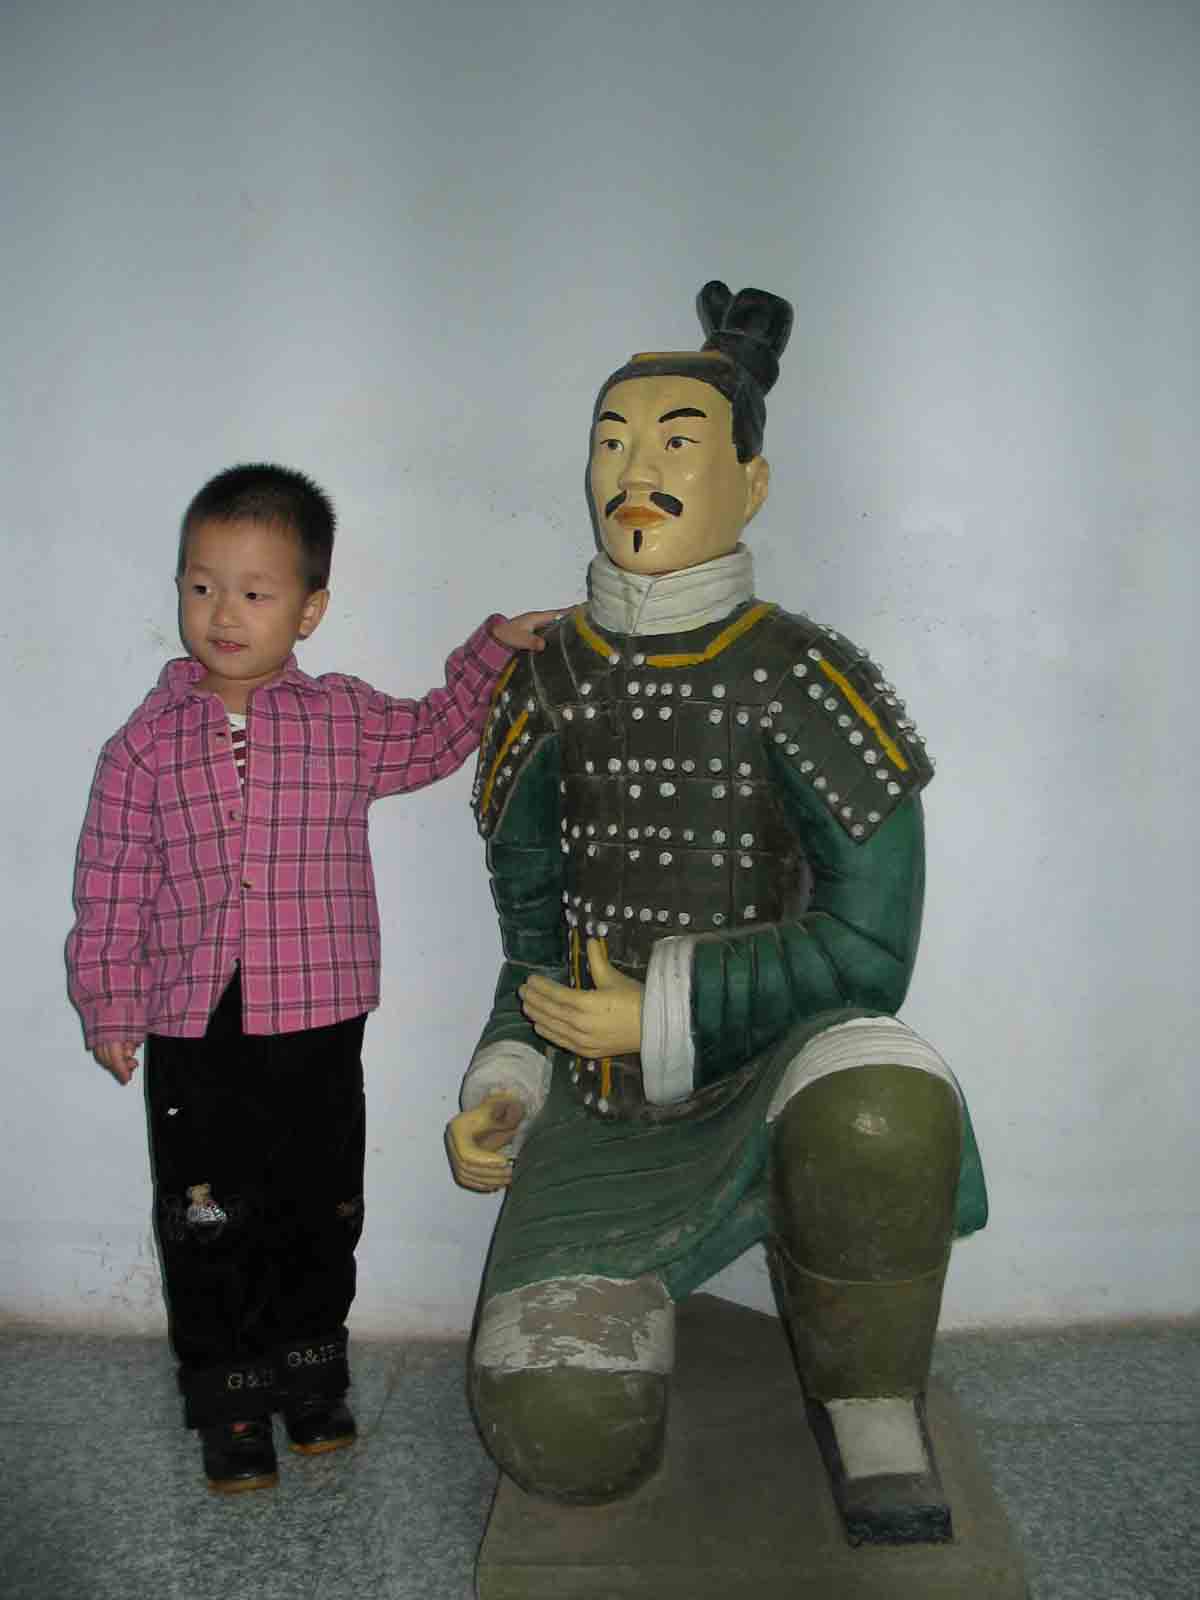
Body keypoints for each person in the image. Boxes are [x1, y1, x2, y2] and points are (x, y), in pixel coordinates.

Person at [445, 284, 987, 1547]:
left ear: (751, 483)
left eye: (677, 441)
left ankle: (870, 1399)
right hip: (599, 1116)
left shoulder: (807, 675)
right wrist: (508, 1084)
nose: (636, 472)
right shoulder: (544, 683)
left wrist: (664, 1009)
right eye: (612, 441)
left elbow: (870, 950)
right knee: (563, 1436)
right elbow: (530, 950)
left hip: (778, 1073)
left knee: (884, 1097)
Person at [66, 462, 558, 1495]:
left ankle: (310, 1371)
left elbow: (436, 733)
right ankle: (228, 1397)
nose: (223, 613)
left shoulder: (343, 718)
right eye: (202, 586)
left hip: (320, 1013)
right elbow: (111, 880)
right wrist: (109, 997)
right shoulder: (143, 747)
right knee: (206, 1213)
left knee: (318, 1203)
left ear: (309, 609)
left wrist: (492, 653)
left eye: (254, 591)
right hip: (193, 1024)